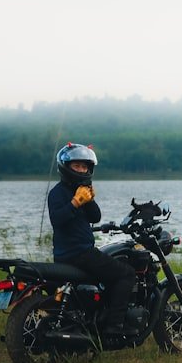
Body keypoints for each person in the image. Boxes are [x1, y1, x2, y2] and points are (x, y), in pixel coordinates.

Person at [47, 142, 136, 332]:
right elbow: (57, 220)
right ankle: (115, 325)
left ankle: (95, 319)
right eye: (77, 165)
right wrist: (75, 203)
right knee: (127, 274)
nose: (81, 169)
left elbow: (95, 217)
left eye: (85, 166)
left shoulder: (81, 191)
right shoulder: (57, 193)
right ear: (66, 167)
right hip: (79, 254)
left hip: (74, 254)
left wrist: (89, 200)